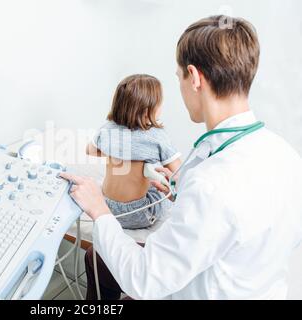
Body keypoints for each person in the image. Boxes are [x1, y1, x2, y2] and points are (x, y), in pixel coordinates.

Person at [62, 15, 302, 300]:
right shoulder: (286, 155)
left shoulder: (211, 185)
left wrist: (99, 209)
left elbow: (144, 281)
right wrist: (174, 186)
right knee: (97, 261)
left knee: (115, 278)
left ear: (195, 77)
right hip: (258, 285)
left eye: (179, 78)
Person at [87, 74, 181, 230]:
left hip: (106, 207)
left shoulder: (107, 129)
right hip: (139, 213)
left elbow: (90, 151)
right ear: (148, 110)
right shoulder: (156, 136)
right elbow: (179, 173)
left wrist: (117, 153)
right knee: (158, 184)